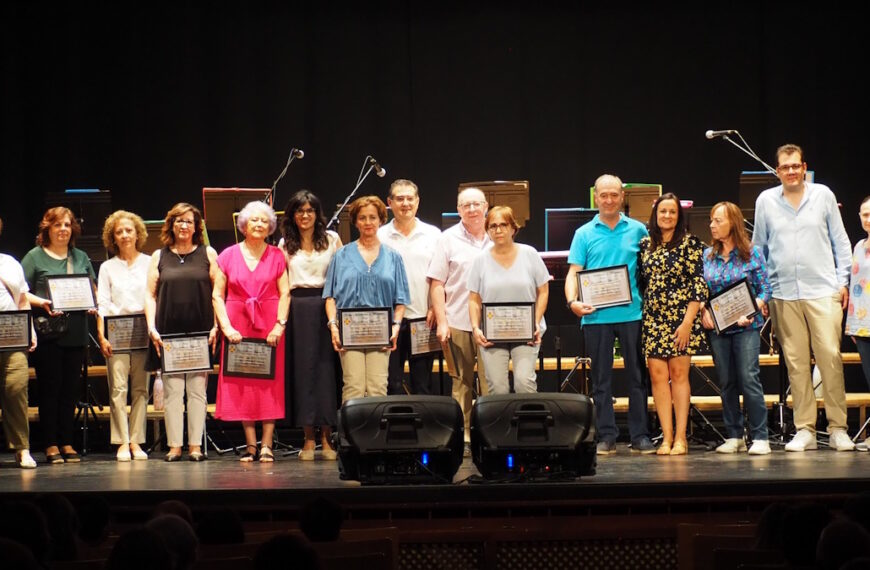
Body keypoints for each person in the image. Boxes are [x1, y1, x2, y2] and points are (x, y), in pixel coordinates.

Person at [753, 143, 854, 452]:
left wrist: (842, 282)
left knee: (830, 359)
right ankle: (805, 429)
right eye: (785, 167)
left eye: (796, 166)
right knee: (796, 363)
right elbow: (759, 249)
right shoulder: (766, 201)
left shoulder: (822, 194)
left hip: (823, 291)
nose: (791, 171)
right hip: (783, 293)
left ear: (804, 166)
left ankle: (838, 428)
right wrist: (764, 291)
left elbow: (840, 240)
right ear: (777, 171)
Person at [565, 175, 654, 455]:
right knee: (601, 380)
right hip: (595, 316)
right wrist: (572, 301)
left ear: (622, 196)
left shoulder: (639, 230)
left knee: (637, 377)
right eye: (603, 195)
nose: (609, 200)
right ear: (595, 198)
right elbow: (574, 273)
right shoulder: (584, 233)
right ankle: (606, 435)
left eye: (614, 195)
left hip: (632, 314)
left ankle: (640, 435)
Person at [213, 201, 289, 463]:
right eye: (254, 220)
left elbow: (285, 293)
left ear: (270, 227)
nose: (259, 224)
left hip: (269, 322)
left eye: (264, 221)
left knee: (269, 383)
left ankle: (267, 444)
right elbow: (217, 295)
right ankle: (250, 445)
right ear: (244, 225)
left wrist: (280, 325)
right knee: (243, 382)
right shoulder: (227, 255)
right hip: (237, 323)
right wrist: (226, 327)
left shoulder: (278, 256)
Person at [22, 206, 97, 465]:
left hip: (76, 332)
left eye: (67, 225)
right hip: (49, 334)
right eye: (57, 225)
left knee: (70, 391)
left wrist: (92, 303)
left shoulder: (80, 256)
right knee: (50, 390)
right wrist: (42, 301)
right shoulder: (34, 257)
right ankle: (50, 444)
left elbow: (92, 289)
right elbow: (21, 293)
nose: (63, 229)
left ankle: (67, 442)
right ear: (48, 229)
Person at [145, 203, 218, 462]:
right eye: (179, 221)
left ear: (196, 226)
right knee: (174, 391)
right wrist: (152, 327)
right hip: (169, 333)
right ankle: (175, 445)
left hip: (200, 331)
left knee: (197, 391)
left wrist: (216, 326)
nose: (184, 226)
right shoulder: (159, 256)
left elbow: (218, 293)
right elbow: (150, 294)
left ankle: (195, 445)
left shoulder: (208, 253)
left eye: (189, 221)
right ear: (171, 225)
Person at [700, 202, 772, 455]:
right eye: (711, 220)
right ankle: (734, 435)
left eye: (718, 220)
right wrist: (703, 311)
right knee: (727, 381)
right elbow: (701, 292)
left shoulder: (753, 253)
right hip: (719, 329)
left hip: (747, 326)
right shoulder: (707, 256)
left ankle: (760, 436)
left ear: (733, 223)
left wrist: (753, 309)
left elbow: (765, 289)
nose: (712, 225)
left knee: (748, 378)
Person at [639, 193, 708, 456]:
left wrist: (688, 322)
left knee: (679, 376)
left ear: (679, 216)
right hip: (654, 318)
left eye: (672, 212)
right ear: (655, 215)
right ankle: (666, 438)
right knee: (658, 378)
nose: (667, 216)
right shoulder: (646, 245)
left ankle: (681, 437)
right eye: (662, 212)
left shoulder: (691, 243)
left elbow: (699, 284)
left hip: (681, 318)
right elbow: (643, 281)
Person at [324, 195, 409, 402]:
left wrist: (395, 327)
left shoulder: (393, 257)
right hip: (349, 332)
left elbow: (401, 300)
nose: (368, 223)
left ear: (381, 220)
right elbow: (330, 297)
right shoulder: (341, 256)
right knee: (353, 386)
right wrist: (334, 327)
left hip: (380, 332)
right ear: (355, 221)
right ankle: (350, 435)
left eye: (373, 217)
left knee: (377, 388)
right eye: (362, 218)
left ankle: (375, 435)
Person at [428, 187, 491, 454]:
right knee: (461, 383)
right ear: (458, 209)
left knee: (492, 383)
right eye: (466, 205)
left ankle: (489, 432)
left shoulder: (499, 235)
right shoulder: (447, 239)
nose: (472, 209)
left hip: (492, 323)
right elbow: (436, 284)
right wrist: (442, 322)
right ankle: (464, 434)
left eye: (477, 204)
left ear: (486, 206)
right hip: (457, 320)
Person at [282, 190, 343, 461]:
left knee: (326, 371)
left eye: (310, 210)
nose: (305, 215)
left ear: (318, 214)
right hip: (297, 309)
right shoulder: (285, 243)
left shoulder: (332, 239)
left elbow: (342, 275)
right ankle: (307, 439)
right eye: (299, 211)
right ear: (292, 215)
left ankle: (327, 438)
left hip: (326, 305)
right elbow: (282, 283)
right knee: (303, 372)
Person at [468, 206, 549, 394]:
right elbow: (474, 299)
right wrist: (475, 328)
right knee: (497, 387)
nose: (498, 230)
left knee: (524, 383)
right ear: (487, 230)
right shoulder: (480, 260)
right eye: (493, 226)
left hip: (527, 332)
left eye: (503, 225)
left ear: (513, 228)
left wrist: (535, 322)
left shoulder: (530, 254)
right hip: (493, 334)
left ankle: (528, 422)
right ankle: (501, 424)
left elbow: (543, 291)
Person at [95, 210, 151, 462]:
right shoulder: (107, 267)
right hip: (116, 332)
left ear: (138, 233)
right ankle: (121, 442)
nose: (125, 235)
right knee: (118, 389)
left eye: (129, 230)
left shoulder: (150, 262)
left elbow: (154, 298)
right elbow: (103, 303)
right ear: (113, 237)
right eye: (119, 232)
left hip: (142, 330)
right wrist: (101, 334)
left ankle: (137, 440)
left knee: (141, 389)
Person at [377, 179, 441, 395]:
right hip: (390, 320)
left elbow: (440, 277)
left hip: (424, 318)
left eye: (410, 198)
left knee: (422, 384)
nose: (405, 203)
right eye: (399, 198)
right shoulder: (379, 236)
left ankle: (422, 428)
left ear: (418, 201)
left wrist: (435, 308)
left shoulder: (433, 234)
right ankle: (396, 428)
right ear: (390, 202)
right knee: (392, 383)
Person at [0, 217, 37, 469]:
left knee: (16, 389)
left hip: (11, 334)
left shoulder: (10, 263)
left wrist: (30, 330)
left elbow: (23, 300)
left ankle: (21, 448)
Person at [846, 197, 870, 430]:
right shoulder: (858, 247)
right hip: (862, 324)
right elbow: (856, 286)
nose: (868, 219)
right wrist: (853, 324)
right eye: (865, 214)